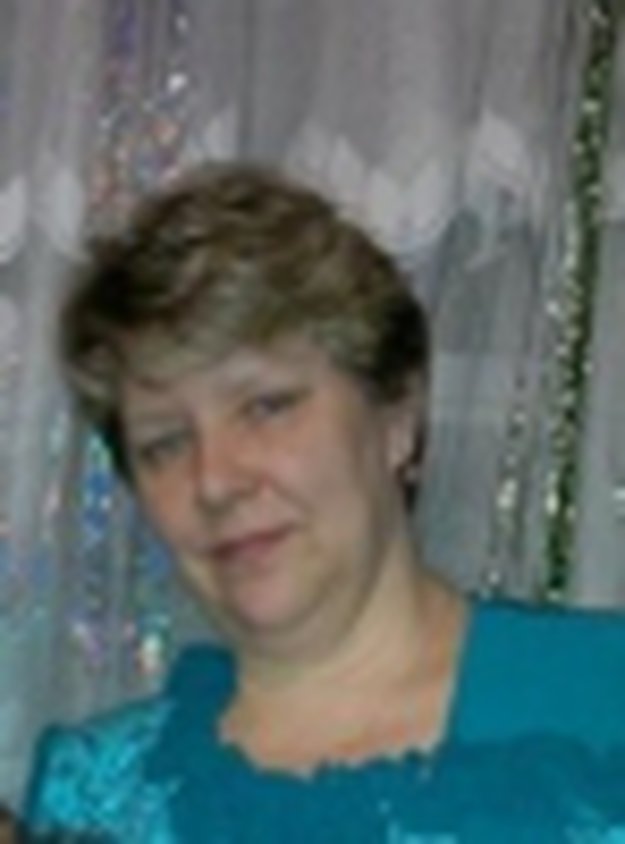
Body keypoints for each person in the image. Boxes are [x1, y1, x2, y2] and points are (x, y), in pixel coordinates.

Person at [22, 163, 625, 841]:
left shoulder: (605, 705)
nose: (214, 481)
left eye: (266, 406)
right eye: (165, 443)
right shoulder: (95, 793)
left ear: (396, 415)